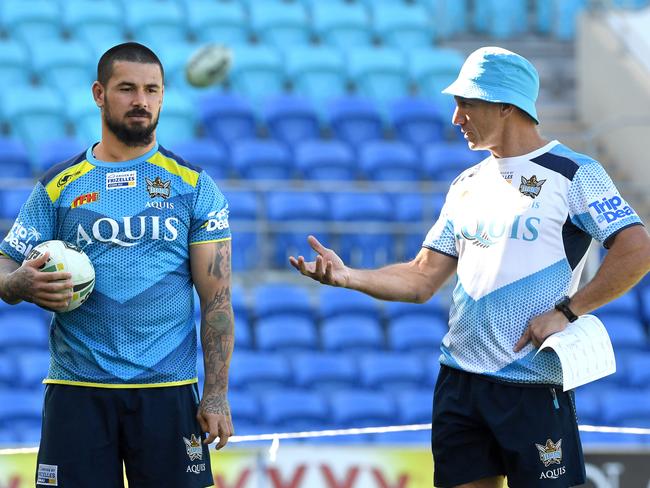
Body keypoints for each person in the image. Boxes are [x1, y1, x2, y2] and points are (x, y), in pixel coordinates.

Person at [290, 46, 650, 488]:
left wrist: (568, 312)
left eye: (466, 104)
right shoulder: (466, 184)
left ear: (505, 106)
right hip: (460, 384)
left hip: (532, 384)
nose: (456, 118)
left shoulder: (575, 173)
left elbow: (638, 250)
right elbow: (422, 278)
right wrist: (349, 277)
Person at [0, 42, 234, 488]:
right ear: (99, 93)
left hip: (167, 390)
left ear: (163, 96)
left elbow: (217, 302)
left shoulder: (194, 187)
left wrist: (218, 395)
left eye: (152, 90)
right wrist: (18, 285)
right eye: (127, 88)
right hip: (77, 390)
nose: (141, 101)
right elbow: (4, 265)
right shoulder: (57, 186)